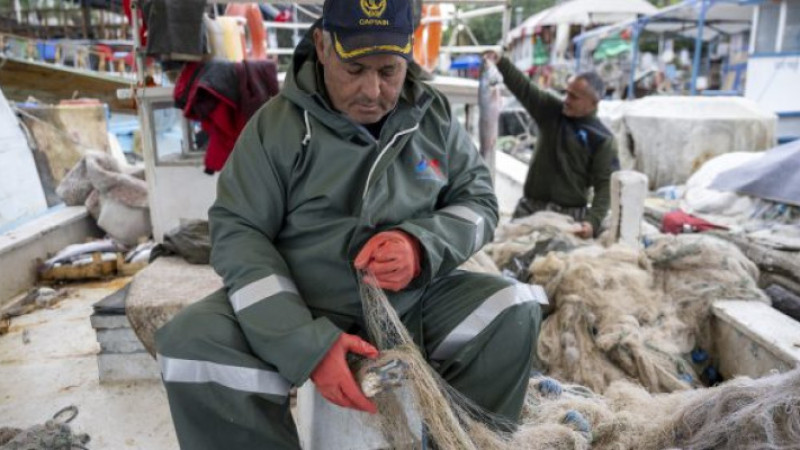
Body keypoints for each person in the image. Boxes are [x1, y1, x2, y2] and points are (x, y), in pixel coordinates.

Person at [155, 0, 543, 448]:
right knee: (192, 344)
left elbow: (479, 202)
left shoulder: (434, 115)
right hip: (300, 302)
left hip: (411, 305)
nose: (372, 91)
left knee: (513, 308)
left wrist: (420, 245)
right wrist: (305, 343)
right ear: (321, 46)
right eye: (354, 69)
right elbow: (238, 230)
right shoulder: (275, 128)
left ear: (408, 52)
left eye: (388, 71)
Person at [485, 51, 619, 239]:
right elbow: (525, 89)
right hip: (530, 207)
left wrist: (592, 222)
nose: (566, 100)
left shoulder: (602, 139)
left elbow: (604, 186)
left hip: (568, 216)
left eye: (574, 97)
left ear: (593, 103)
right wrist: (501, 62)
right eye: (566, 93)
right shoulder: (552, 111)